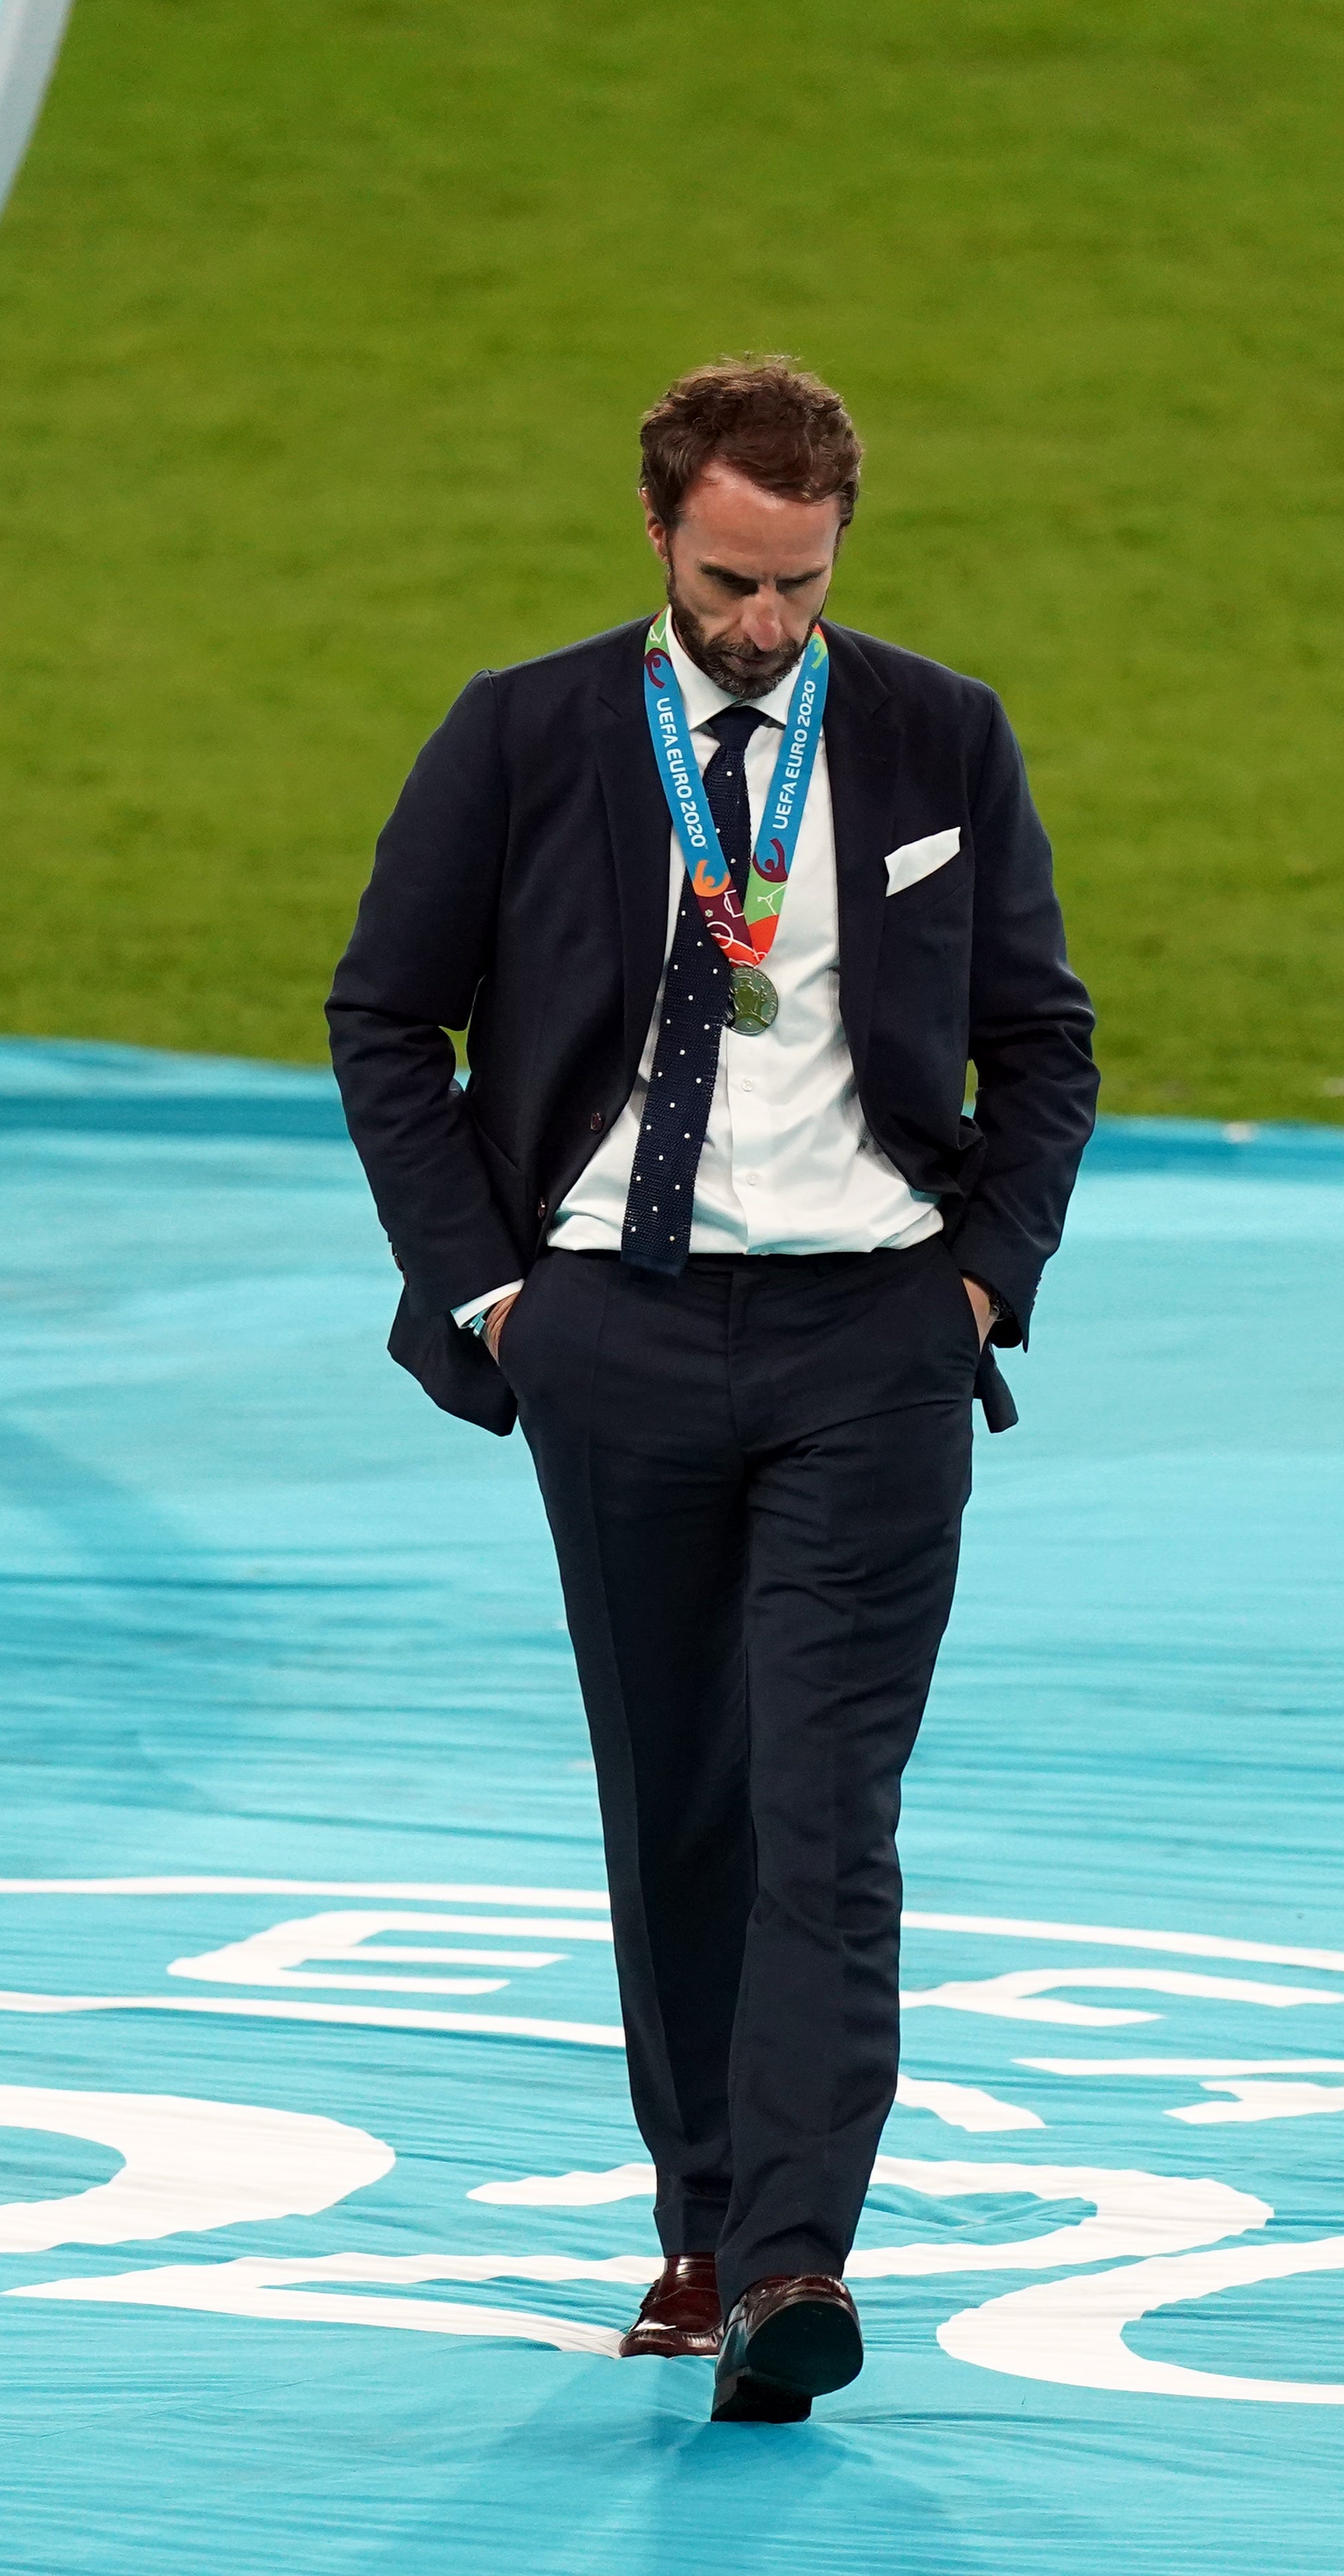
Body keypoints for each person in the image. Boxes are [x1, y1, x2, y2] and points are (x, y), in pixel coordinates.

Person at [327, 357, 1099, 2420]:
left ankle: (789, 2268)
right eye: (732, 583)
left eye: (801, 587)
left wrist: (979, 1289)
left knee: (825, 1812)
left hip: (873, 1341)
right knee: (681, 1800)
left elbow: (1044, 1039)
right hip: (615, 1331)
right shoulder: (522, 736)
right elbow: (385, 1017)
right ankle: (700, 2212)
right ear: (659, 535)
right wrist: (494, 1296)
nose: (767, 625)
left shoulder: (940, 733)